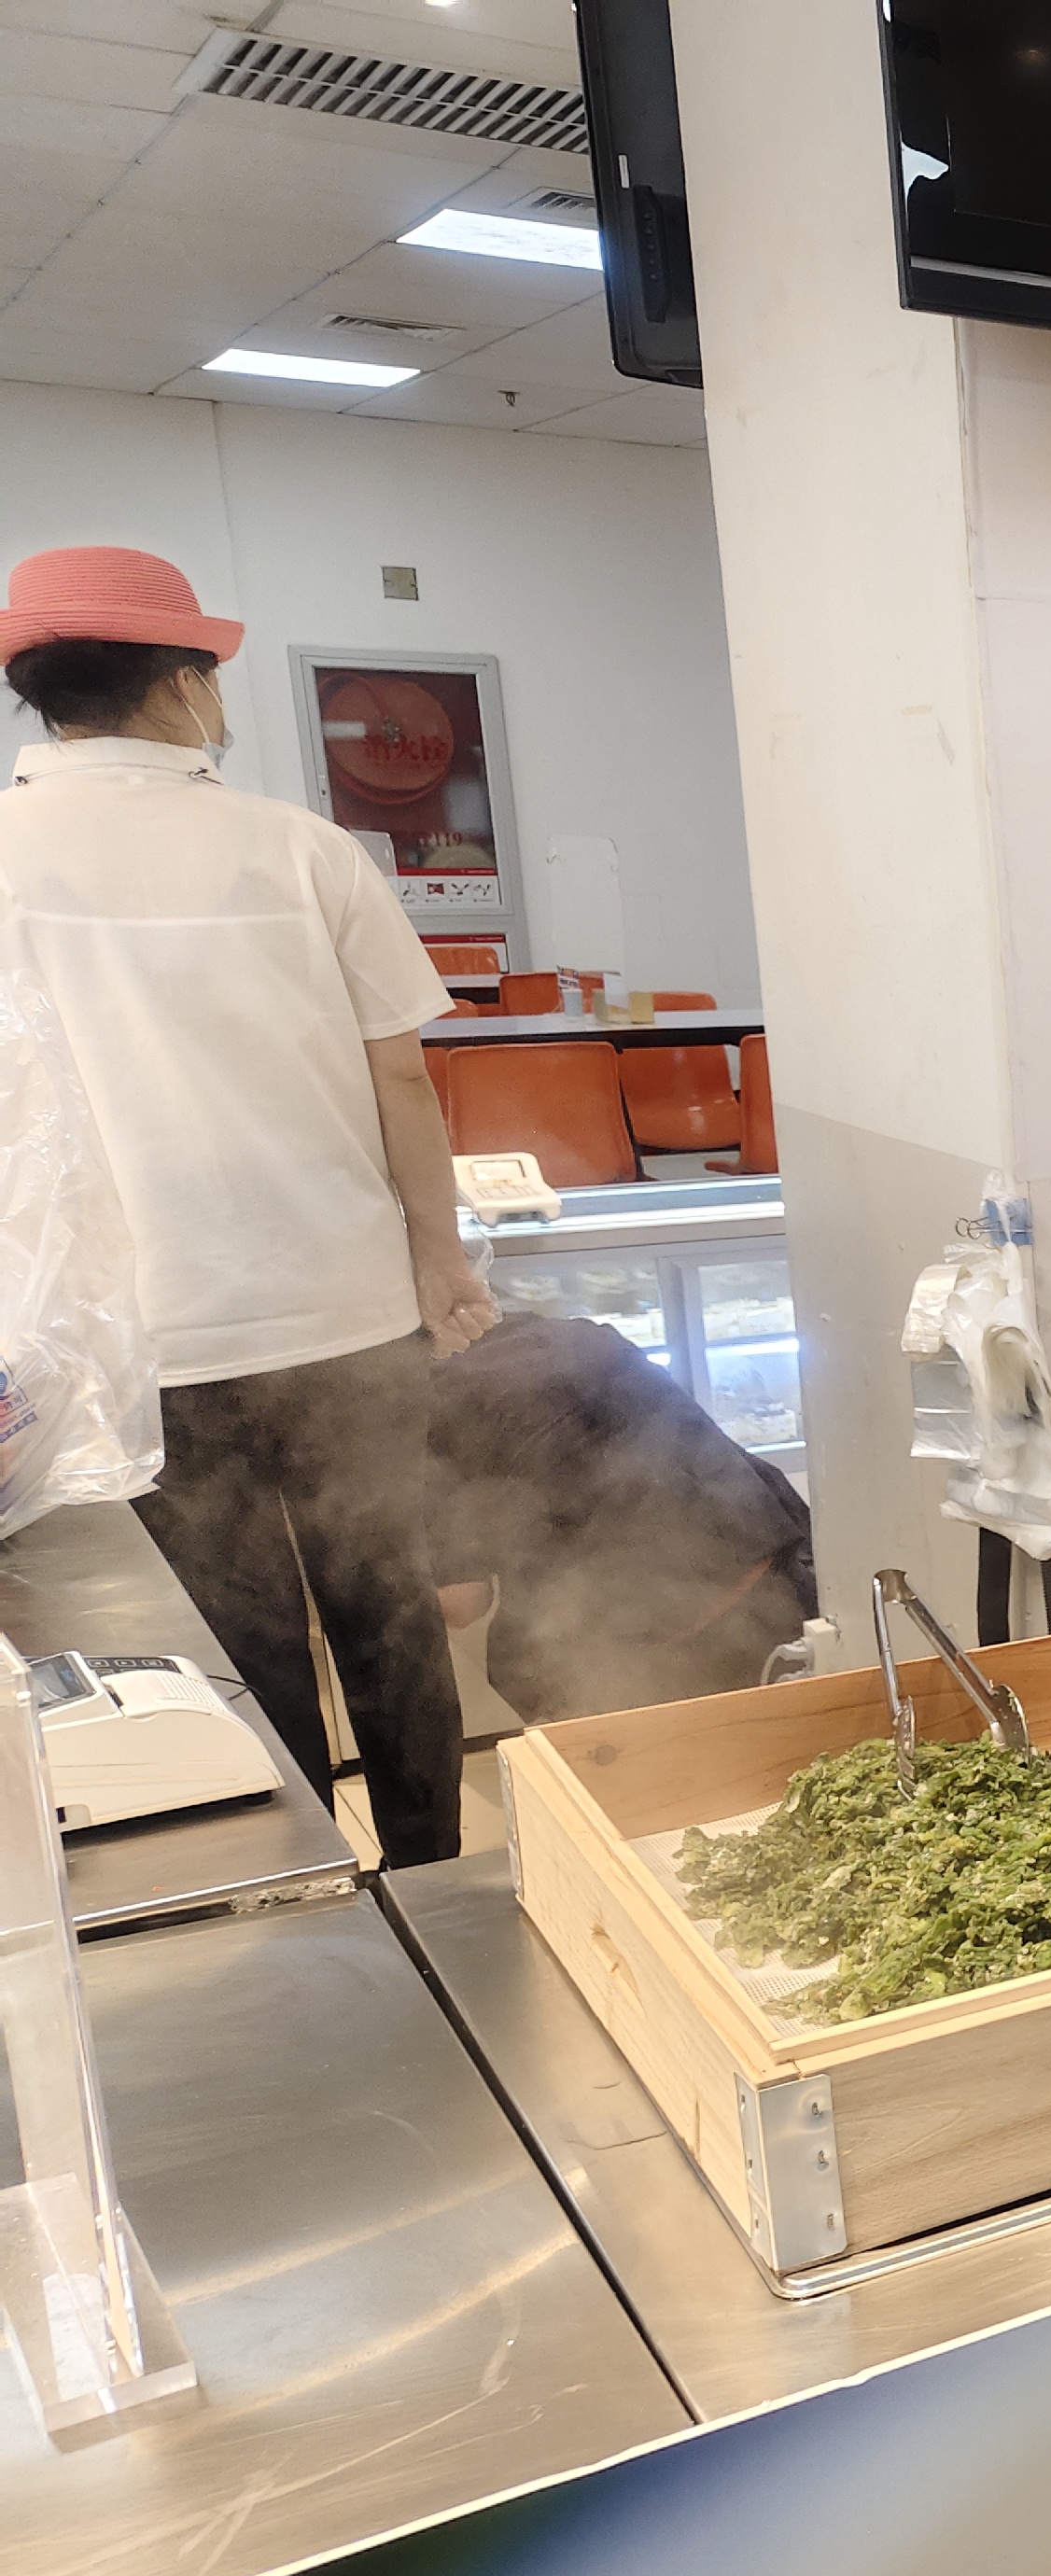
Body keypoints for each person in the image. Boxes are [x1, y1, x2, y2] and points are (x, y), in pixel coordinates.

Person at [0, 544, 490, 1863]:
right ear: (178, 684)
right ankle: (431, 1883)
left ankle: (307, 1900)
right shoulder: (302, 849)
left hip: (142, 1338)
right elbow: (401, 1076)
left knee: (236, 1639)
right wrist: (440, 1262)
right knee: (386, 1608)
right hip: (343, 1315)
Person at [427, 1315, 818, 1721]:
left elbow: (462, 1603)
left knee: (519, 1656)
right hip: (775, 1571)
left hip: (672, 1636)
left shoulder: (426, 1413)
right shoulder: (552, 1331)